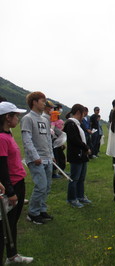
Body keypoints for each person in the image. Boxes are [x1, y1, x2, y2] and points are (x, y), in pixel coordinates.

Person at [0, 102, 34, 264]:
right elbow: (2, 168)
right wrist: (10, 192)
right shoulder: (1, 138)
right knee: (5, 225)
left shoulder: (8, 135)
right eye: (16, 115)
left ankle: (12, 255)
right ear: (7, 117)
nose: (18, 118)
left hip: (18, 182)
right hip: (11, 186)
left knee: (12, 223)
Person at [21, 91, 54, 225]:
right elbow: (27, 139)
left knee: (47, 186)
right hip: (36, 159)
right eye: (42, 101)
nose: (44, 103)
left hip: (47, 158)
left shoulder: (45, 119)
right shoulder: (27, 118)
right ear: (34, 102)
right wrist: (35, 156)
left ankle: (41, 209)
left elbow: (48, 139)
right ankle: (33, 213)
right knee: (40, 186)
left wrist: (51, 155)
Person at [63, 104, 92, 208]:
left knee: (81, 178)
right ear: (78, 113)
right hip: (76, 155)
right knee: (74, 178)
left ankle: (80, 196)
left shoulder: (77, 124)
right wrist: (86, 147)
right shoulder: (71, 124)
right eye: (83, 114)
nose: (84, 116)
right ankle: (72, 199)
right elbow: (75, 140)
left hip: (81, 155)